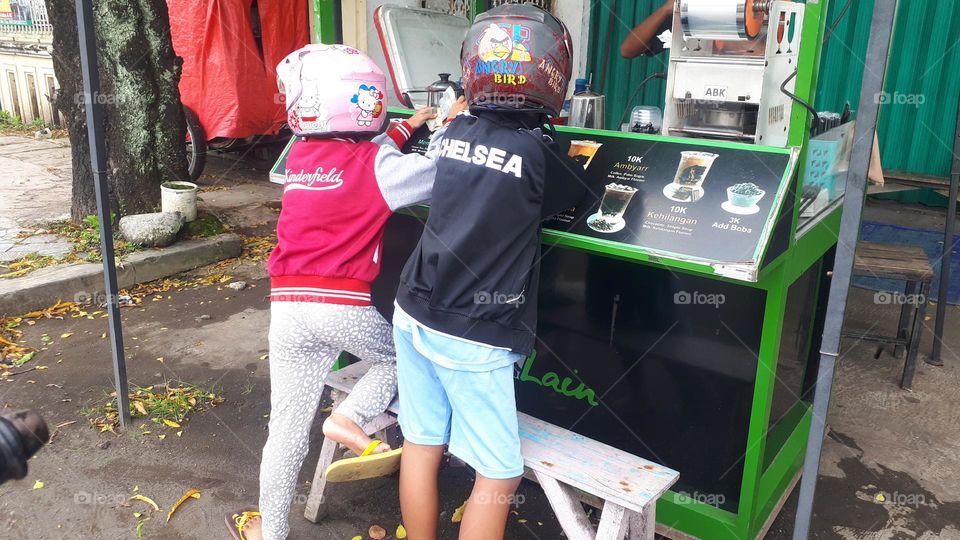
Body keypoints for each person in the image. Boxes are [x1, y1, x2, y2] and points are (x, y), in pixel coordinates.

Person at [225, 43, 467, 540]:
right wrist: (452, 125)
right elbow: (439, 172)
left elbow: (365, 151)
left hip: (287, 307)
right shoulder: (379, 169)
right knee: (401, 360)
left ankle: (269, 531)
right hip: (343, 304)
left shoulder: (301, 157)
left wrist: (406, 127)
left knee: (285, 428)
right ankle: (348, 418)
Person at [392, 5, 586, 540]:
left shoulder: (452, 132)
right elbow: (576, 198)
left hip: (412, 308)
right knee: (499, 470)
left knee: (422, 440)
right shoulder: (541, 155)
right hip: (473, 333)